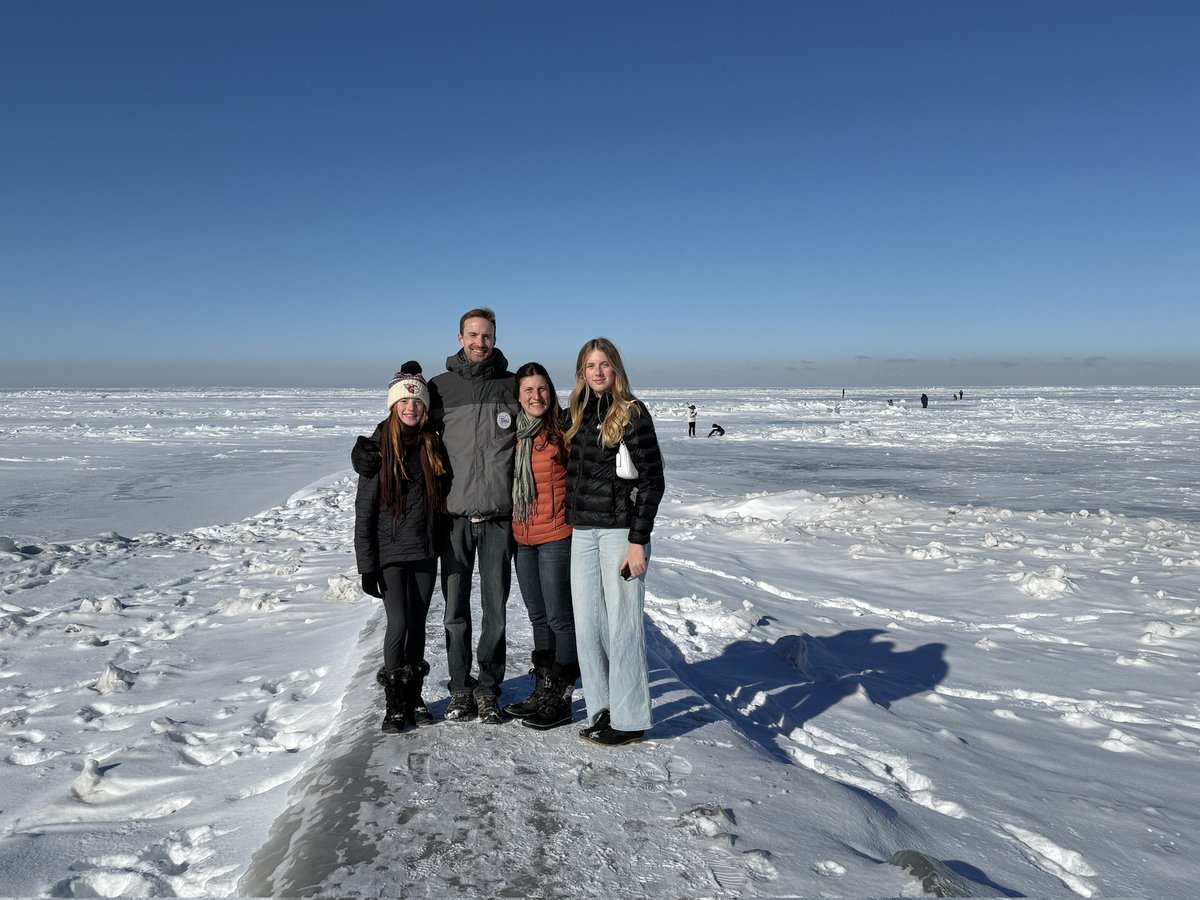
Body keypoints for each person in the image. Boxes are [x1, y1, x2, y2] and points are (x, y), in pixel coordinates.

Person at [565, 337, 665, 747]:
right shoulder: (578, 412)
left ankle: (630, 719)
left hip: (620, 532)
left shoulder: (633, 413)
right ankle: (603, 709)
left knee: (623, 627)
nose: (598, 372)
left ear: (616, 368)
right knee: (588, 627)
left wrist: (638, 542)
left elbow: (653, 481)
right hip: (582, 532)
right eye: (590, 366)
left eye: (604, 364)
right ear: (582, 373)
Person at [428, 308, 519, 725]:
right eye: (473, 335)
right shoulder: (440, 388)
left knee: (495, 610)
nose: (480, 342)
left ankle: (488, 689)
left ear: (495, 338)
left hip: (500, 518)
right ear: (460, 337)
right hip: (456, 519)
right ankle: (460, 689)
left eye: (487, 335)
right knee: (455, 611)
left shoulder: (512, 385)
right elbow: (408, 430)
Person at [353, 363, 450, 733]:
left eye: (418, 402)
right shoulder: (376, 450)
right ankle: (395, 704)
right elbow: (365, 512)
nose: (411, 408)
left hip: (424, 550)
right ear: (393, 406)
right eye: (404, 402)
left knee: (419, 624)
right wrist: (367, 565)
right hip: (391, 553)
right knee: (399, 624)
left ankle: (414, 695)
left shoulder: (431, 444)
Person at [502, 362, 580, 730]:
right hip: (523, 538)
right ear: (518, 396)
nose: (536, 396)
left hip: (556, 536)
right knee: (537, 616)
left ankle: (562, 697)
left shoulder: (564, 429)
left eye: (542, 389)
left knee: (560, 618)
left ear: (551, 392)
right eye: (529, 390)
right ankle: (544, 687)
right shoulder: (514, 433)